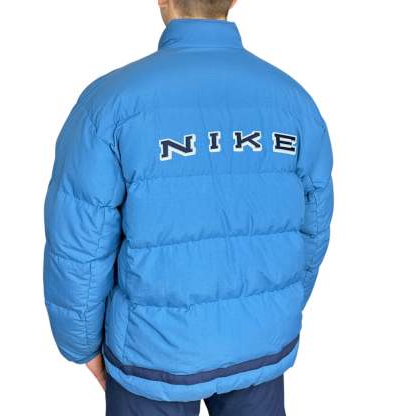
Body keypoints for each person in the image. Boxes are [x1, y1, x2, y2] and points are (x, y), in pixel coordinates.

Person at [43, 0, 334, 414]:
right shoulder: (294, 103)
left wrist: (81, 343)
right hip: (260, 349)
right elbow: (314, 226)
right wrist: (271, 310)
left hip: (152, 356)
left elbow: (79, 245)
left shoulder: (110, 104)